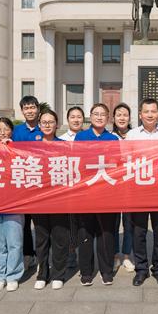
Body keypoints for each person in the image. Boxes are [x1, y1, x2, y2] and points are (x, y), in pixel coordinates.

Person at [127, 98, 158, 286]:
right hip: (138, 191)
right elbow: (126, 160)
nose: (149, 115)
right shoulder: (132, 135)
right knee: (138, 233)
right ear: (140, 115)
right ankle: (141, 269)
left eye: (153, 111)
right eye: (146, 111)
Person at [75, 103, 119, 286]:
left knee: (106, 233)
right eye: (96, 114)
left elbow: (117, 164)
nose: (99, 117)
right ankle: (86, 271)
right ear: (90, 116)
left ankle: (106, 270)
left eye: (103, 114)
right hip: (85, 192)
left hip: (107, 194)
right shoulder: (81, 137)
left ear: (108, 118)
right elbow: (77, 161)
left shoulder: (113, 139)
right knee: (85, 233)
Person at [32, 109, 70, 290]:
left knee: (60, 238)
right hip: (38, 200)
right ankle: (42, 274)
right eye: (44, 122)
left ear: (57, 124)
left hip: (59, 200)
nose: (47, 125)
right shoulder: (32, 147)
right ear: (39, 125)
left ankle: (58, 274)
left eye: (51, 122)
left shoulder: (64, 146)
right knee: (41, 239)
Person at [0, 118, 24, 292]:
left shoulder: (19, 149)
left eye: (6, 129)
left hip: (14, 203)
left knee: (14, 242)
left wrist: (11, 148)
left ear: (11, 131)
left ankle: (13, 275)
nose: (2, 132)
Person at [12, 95, 40, 270]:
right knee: (24, 222)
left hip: (41, 183)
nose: (30, 111)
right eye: (26, 108)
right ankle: (28, 254)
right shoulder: (16, 131)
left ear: (38, 109)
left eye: (32, 107)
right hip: (22, 183)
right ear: (22, 111)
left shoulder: (45, 128)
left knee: (41, 223)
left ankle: (43, 255)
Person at [57, 106, 85, 269]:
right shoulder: (61, 140)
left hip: (84, 187)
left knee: (82, 222)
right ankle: (71, 253)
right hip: (67, 187)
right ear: (67, 120)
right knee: (69, 222)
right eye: (73, 117)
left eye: (79, 117)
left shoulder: (87, 138)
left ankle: (83, 253)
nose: (76, 120)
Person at [111, 103, 135, 272]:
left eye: (125, 115)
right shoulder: (108, 137)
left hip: (131, 186)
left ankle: (126, 256)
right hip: (112, 186)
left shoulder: (135, 136)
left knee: (129, 223)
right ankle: (114, 256)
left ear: (129, 118)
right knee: (113, 223)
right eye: (118, 115)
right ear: (113, 118)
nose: (122, 118)